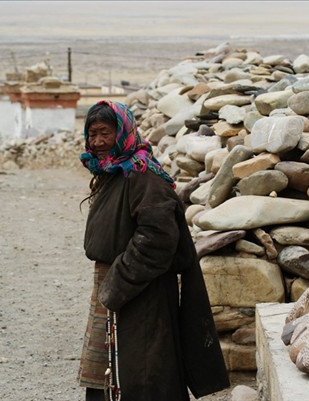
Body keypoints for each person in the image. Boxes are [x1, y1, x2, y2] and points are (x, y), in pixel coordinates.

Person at [77, 100, 229, 401]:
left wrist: (118, 282)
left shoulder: (143, 176)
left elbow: (158, 238)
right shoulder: (115, 172)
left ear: (123, 132)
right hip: (121, 285)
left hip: (144, 293)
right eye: (92, 134)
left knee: (144, 373)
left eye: (105, 133)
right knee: (118, 372)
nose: (97, 142)